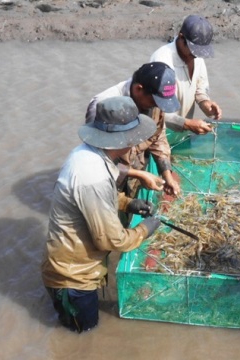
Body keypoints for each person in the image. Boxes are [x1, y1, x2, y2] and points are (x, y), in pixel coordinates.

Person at [42, 96, 163, 333]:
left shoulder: (89, 154)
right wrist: (145, 229)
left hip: (78, 267)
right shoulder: (92, 175)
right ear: (126, 139)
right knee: (82, 335)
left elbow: (93, 200)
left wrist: (128, 203)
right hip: (73, 279)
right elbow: (111, 240)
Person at [86, 62, 181, 197]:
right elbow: (97, 160)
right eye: (154, 102)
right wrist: (139, 174)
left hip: (135, 173)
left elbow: (158, 138)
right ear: (138, 89)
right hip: (106, 182)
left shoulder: (155, 102)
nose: (156, 107)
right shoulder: (104, 106)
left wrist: (167, 175)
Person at [150, 14, 222, 141]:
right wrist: (188, 124)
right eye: (193, 50)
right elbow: (156, 110)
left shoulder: (197, 57)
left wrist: (206, 104)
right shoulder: (162, 62)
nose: (196, 55)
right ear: (181, 37)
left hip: (183, 135)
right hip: (160, 139)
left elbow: (200, 88)